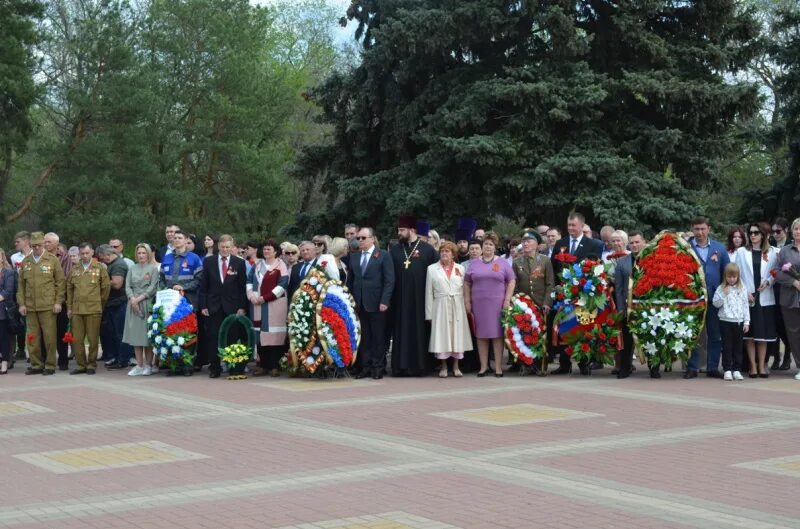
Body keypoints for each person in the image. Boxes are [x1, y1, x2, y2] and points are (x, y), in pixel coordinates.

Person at [550, 213, 604, 375]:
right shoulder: (561, 243)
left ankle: (583, 362)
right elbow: (554, 266)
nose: (571, 228)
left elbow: (596, 268)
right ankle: (564, 363)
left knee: (582, 327)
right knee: (564, 327)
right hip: (564, 295)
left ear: (581, 226)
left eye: (574, 225)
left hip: (583, 294)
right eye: (569, 225)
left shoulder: (593, 244)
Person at [390, 215, 438, 376]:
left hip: (421, 299)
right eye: (398, 230)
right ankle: (400, 367)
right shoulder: (395, 250)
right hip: (400, 299)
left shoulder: (427, 250)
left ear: (412, 230)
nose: (399, 233)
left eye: (402, 230)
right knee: (401, 331)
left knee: (420, 331)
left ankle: (420, 366)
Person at [465, 231, 516, 377]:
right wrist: (467, 301)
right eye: (486, 244)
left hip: (497, 304)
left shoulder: (502, 263)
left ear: (495, 247)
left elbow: (512, 280)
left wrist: (507, 299)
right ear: (482, 246)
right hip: (479, 304)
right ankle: (483, 367)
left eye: (491, 244)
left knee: (497, 335)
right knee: (481, 335)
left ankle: (498, 367)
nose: (488, 247)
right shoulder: (474, 263)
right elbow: (467, 283)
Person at [684, 216, 730, 379]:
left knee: (715, 334)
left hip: (714, 299)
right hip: (692, 299)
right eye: (696, 229)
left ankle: (712, 367)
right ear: (692, 229)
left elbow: (727, 272)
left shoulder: (719, 248)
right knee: (693, 333)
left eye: (703, 229)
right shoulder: (685, 247)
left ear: (709, 229)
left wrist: (724, 293)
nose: (700, 232)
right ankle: (692, 367)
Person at [348, 227, 395, 379]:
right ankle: (365, 367)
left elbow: (389, 280)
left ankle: (378, 368)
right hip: (359, 303)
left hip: (377, 303)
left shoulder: (383, 255)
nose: (360, 240)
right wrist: (350, 301)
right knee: (364, 338)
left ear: (372, 239)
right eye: (358, 238)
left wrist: (385, 300)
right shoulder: (354, 257)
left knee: (378, 337)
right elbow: (351, 281)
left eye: (363, 238)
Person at [199, 234, 248, 379]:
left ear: (232, 247)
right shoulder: (209, 261)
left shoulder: (239, 263)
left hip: (232, 306)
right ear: (218, 247)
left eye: (228, 247)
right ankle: (215, 367)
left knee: (232, 336)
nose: (225, 250)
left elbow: (242, 287)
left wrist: (242, 306)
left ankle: (232, 365)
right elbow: (204, 285)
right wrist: (203, 305)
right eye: (222, 247)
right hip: (213, 305)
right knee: (213, 336)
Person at [17, 232, 65, 375]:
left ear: (44, 244)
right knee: (32, 337)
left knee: (49, 337)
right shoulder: (26, 261)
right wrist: (22, 304)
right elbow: (21, 286)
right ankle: (36, 364)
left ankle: (50, 365)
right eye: (34, 246)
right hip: (31, 306)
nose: (36, 248)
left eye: (39, 245)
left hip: (48, 306)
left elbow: (60, 283)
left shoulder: (52, 260)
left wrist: (58, 302)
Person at [735, 222, 778, 377]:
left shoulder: (773, 252)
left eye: (756, 233)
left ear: (763, 235)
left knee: (763, 335)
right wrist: (744, 291)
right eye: (751, 232)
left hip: (765, 298)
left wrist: (768, 282)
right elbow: (736, 273)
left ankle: (762, 365)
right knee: (750, 335)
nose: (752, 235)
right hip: (748, 297)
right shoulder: (741, 252)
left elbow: (776, 272)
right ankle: (752, 366)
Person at [425, 240, 470, 378]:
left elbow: (464, 289)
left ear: (453, 254)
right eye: (442, 251)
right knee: (442, 336)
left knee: (456, 336)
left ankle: (456, 366)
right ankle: (443, 366)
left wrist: (466, 306)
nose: (444, 253)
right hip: (440, 305)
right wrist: (429, 314)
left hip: (457, 305)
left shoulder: (460, 268)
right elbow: (428, 292)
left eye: (447, 251)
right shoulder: (432, 269)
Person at [512, 230, 554, 374]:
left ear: (537, 244)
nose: (525, 243)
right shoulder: (517, 262)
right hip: (523, 304)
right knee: (525, 333)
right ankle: (526, 364)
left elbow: (550, 284)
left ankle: (540, 365)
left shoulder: (545, 261)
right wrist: (516, 301)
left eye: (528, 241)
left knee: (541, 335)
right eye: (523, 241)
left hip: (540, 304)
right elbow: (514, 284)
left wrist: (547, 302)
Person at [66, 243, 110, 375]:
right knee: (77, 339)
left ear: (92, 252)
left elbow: (106, 287)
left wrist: (99, 303)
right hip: (77, 309)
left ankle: (91, 364)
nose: (84, 256)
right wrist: (69, 307)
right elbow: (69, 288)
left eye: (87, 253)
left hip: (93, 309)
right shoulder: (74, 269)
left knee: (92, 339)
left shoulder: (99, 267)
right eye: (82, 254)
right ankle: (80, 365)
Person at [248, 239, 289, 377]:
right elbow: (249, 281)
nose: (266, 251)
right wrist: (251, 295)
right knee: (260, 335)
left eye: (269, 249)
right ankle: (262, 365)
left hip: (274, 305)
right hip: (257, 306)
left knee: (275, 336)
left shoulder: (280, 266)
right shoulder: (257, 265)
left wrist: (265, 297)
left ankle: (274, 366)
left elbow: (282, 285)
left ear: (275, 251)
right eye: (264, 249)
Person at [123, 243, 160, 376]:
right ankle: (139, 365)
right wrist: (132, 298)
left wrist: (139, 299)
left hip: (146, 303)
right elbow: (127, 286)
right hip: (133, 304)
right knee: (136, 336)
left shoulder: (153, 269)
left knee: (146, 337)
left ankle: (148, 365)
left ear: (148, 254)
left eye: (144, 253)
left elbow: (153, 287)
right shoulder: (132, 268)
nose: (141, 255)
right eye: (139, 253)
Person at [606, 230, 636, 378]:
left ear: (625, 242)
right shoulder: (608, 259)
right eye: (614, 241)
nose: (616, 243)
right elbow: (618, 287)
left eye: (619, 241)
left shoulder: (634, 258)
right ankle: (622, 365)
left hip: (638, 302)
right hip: (617, 301)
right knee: (622, 335)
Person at [96, 244, 131, 370]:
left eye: (102, 257)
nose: (101, 260)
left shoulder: (118, 265)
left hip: (119, 303)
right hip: (112, 303)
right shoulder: (112, 264)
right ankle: (116, 357)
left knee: (119, 333)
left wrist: (99, 282)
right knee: (113, 333)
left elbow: (116, 283)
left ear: (107, 254)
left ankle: (123, 359)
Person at [713, 263, 750, 381]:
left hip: (738, 322)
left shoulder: (742, 288)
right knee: (727, 346)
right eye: (729, 277)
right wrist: (724, 294)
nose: (732, 279)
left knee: (738, 347)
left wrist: (746, 321)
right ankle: (727, 369)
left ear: (738, 276)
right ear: (725, 276)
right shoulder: (721, 288)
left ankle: (737, 369)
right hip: (725, 321)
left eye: (734, 277)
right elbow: (716, 303)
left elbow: (745, 305)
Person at [775, 217, 800, 381]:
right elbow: (777, 273)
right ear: (792, 231)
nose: (798, 232)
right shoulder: (785, 251)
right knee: (794, 333)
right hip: (790, 297)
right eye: (796, 229)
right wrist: (794, 282)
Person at [44, 232, 72, 370]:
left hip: (61, 301)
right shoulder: (41, 258)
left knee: (61, 331)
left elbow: (65, 278)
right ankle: (46, 360)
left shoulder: (65, 258)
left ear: (56, 243)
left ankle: (63, 360)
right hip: (44, 301)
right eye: (45, 242)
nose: (45, 244)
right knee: (46, 332)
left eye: (48, 242)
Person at [769, 217, 793, 371]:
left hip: (787, 290)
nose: (775, 234)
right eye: (773, 232)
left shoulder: (791, 247)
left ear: (786, 230)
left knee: (787, 326)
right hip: (773, 289)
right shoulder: (771, 246)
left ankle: (787, 356)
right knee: (775, 325)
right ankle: (776, 357)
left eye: (778, 231)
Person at [0, 249, 17, 374]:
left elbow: (8, 291)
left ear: (2, 258)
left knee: (4, 338)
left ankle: (5, 363)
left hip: (3, 310)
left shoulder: (9, 272)